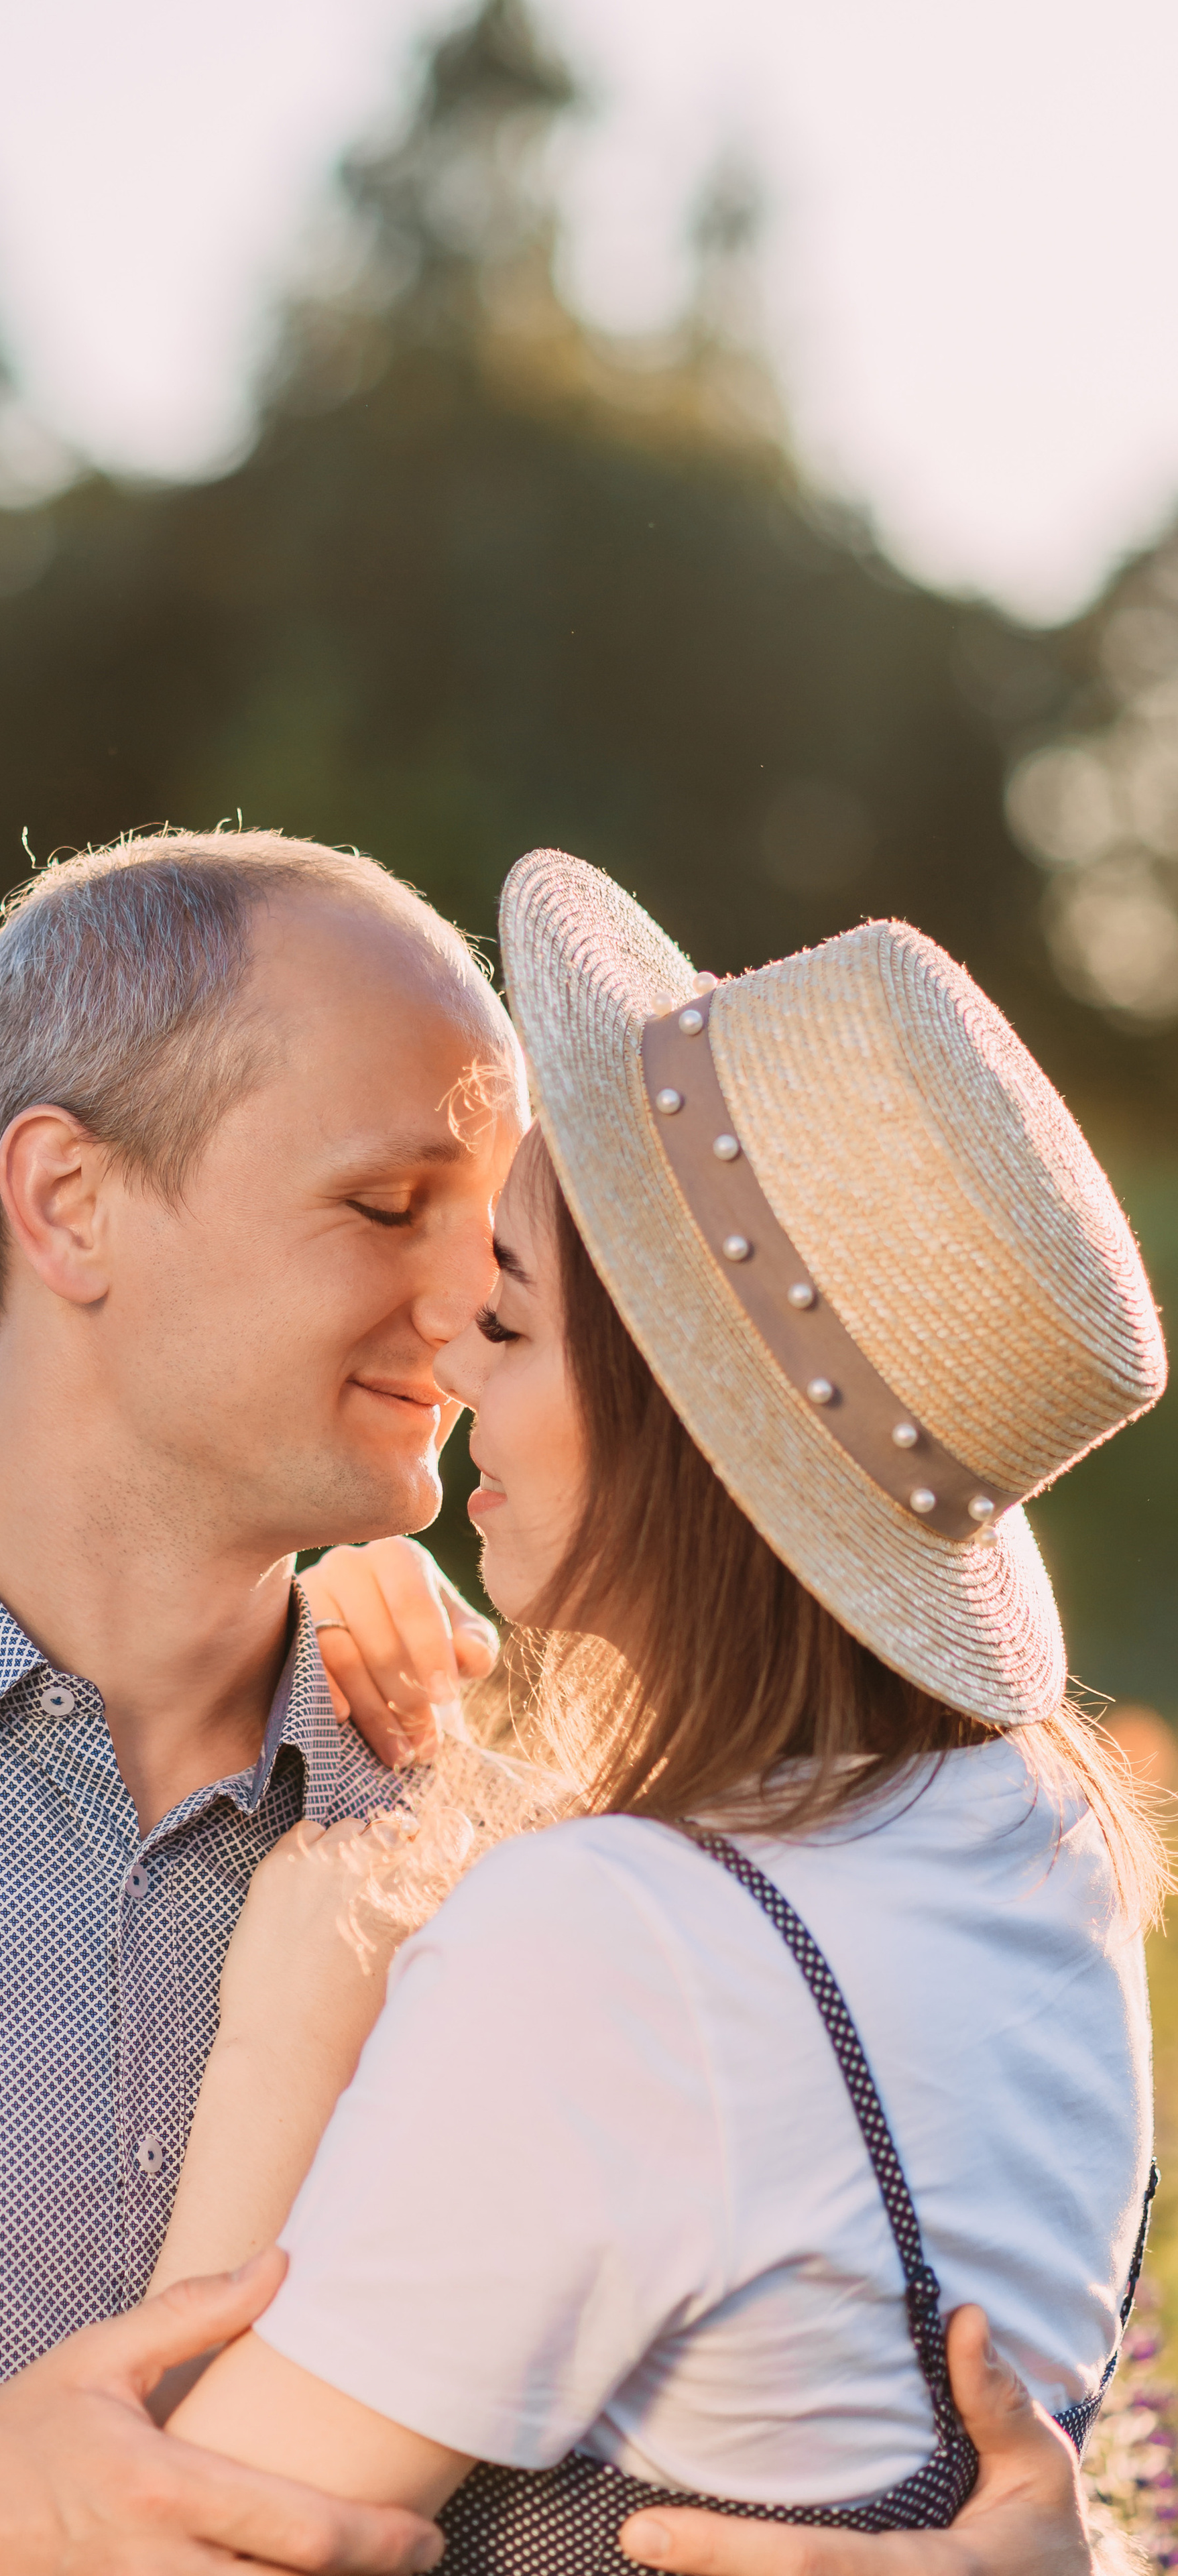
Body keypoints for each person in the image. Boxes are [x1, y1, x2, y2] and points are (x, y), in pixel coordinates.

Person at [0, 827, 1113, 2576]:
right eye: (389, 1206)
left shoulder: (566, 1862)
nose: (468, 1303)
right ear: (70, 1203)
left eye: (499, 1244)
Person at [156, 850, 1167, 2572]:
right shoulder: (1033, 1836)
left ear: (684, 1437)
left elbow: (168, 2545)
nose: (452, 1359)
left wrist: (289, 2029)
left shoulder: (620, 1949)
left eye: (512, 1317)